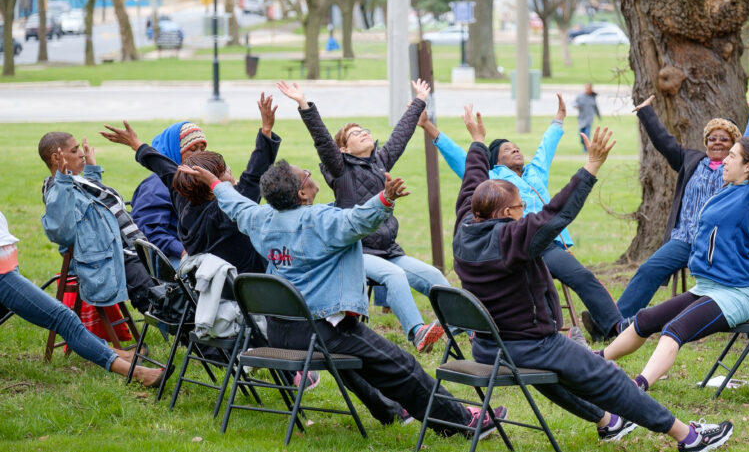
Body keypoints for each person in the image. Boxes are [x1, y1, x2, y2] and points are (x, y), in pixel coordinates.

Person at [452, 107, 733, 452]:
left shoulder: (465, 225)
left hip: (489, 347)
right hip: (530, 344)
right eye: (521, 206)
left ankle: (607, 422)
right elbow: (556, 214)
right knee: (608, 377)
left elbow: (471, 181)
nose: (525, 210)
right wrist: (592, 167)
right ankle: (688, 438)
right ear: (508, 214)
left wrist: (478, 142)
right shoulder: (514, 238)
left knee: (556, 378)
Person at [177, 159, 504, 437]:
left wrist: (215, 182)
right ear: (302, 192)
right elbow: (358, 220)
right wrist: (385, 199)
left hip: (280, 329)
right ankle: (462, 423)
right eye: (304, 173)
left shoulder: (261, 220)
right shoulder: (321, 222)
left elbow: (237, 205)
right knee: (401, 366)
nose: (308, 171)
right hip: (325, 328)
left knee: (358, 363)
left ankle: (389, 411)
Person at [600, 102, 749, 390]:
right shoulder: (731, 188)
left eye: (732, 156)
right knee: (645, 319)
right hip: (706, 288)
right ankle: (598, 360)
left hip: (733, 295)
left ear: (748, 168)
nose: (725, 160)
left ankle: (638, 386)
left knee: (673, 330)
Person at [419, 95, 624, 343]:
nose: (515, 149)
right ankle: (466, 325)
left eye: (516, 146)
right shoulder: (492, 177)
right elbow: (461, 159)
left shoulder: (535, 172)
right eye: (507, 149)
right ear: (495, 159)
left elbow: (546, 147)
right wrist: (428, 126)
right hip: (514, 244)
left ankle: (615, 327)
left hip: (548, 246)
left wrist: (558, 119)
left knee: (582, 276)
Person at [275, 79, 446, 353]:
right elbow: (321, 138)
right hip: (357, 253)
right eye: (355, 133)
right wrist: (304, 104)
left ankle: (468, 327)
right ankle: (417, 332)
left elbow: (401, 134)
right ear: (343, 148)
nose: (364, 133)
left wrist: (419, 101)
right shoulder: (340, 170)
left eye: (365, 130)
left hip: (388, 250)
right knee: (394, 276)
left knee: (433, 275)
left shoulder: (380, 163)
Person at [615, 87, 749, 323]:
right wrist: (646, 112)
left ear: (735, 146)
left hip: (718, 247)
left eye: (724, 139)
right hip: (684, 240)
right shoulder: (691, 161)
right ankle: (614, 322)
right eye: (712, 138)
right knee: (649, 269)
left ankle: (726, 312)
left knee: (718, 286)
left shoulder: (738, 173)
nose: (717, 143)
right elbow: (664, 143)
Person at [100, 94, 280, 279]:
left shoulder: (184, 198)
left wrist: (137, 145)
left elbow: (167, 170)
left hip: (208, 285)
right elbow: (252, 178)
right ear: (214, 182)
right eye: (224, 171)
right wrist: (266, 130)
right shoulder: (231, 212)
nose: (199, 155)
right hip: (246, 289)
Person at [1, 210, 165, 387]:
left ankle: (118, 356)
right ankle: (136, 373)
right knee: (64, 319)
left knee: (66, 320)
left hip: (7, 265)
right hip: (2, 275)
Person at [39, 132, 155, 314]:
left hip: (132, 249)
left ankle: (194, 334)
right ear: (56, 158)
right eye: (75, 150)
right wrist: (63, 181)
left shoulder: (74, 182)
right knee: (159, 300)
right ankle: (195, 339)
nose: (82, 154)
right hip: (117, 258)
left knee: (169, 290)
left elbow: (92, 207)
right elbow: (62, 232)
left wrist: (92, 170)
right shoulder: (56, 190)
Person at [129, 121, 208, 267]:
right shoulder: (156, 186)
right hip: (169, 260)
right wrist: (183, 252)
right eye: (193, 149)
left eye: (202, 149)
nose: (200, 155)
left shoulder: (196, 181)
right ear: (175, 152)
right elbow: (149, 231)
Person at [573, 83, 601, 152]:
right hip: (581, 119)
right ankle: (583, 144)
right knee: (581, 135)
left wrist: (599, 115)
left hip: (589, 119)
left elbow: (596, 107)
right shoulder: (580, 96)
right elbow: (574, 103)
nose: (588, 90)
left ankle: (586, 149)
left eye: (589, 88)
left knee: (587, 134)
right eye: (587, 88)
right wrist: (577, 106)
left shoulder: (592, 97)